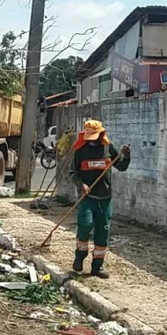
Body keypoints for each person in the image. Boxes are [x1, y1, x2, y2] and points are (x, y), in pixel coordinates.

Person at [68, 119, 131, 279]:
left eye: (96, 137)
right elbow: (73, 173)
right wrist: (81, 184)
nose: (94, 141)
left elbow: (121, 166)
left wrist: (126, 155)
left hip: (104, 198)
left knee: (103, 232)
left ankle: (97, 267)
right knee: (85, 226)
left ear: (101, 134)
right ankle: (79, 257)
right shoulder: (80, 149)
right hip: (87, 197)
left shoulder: (108, 147)